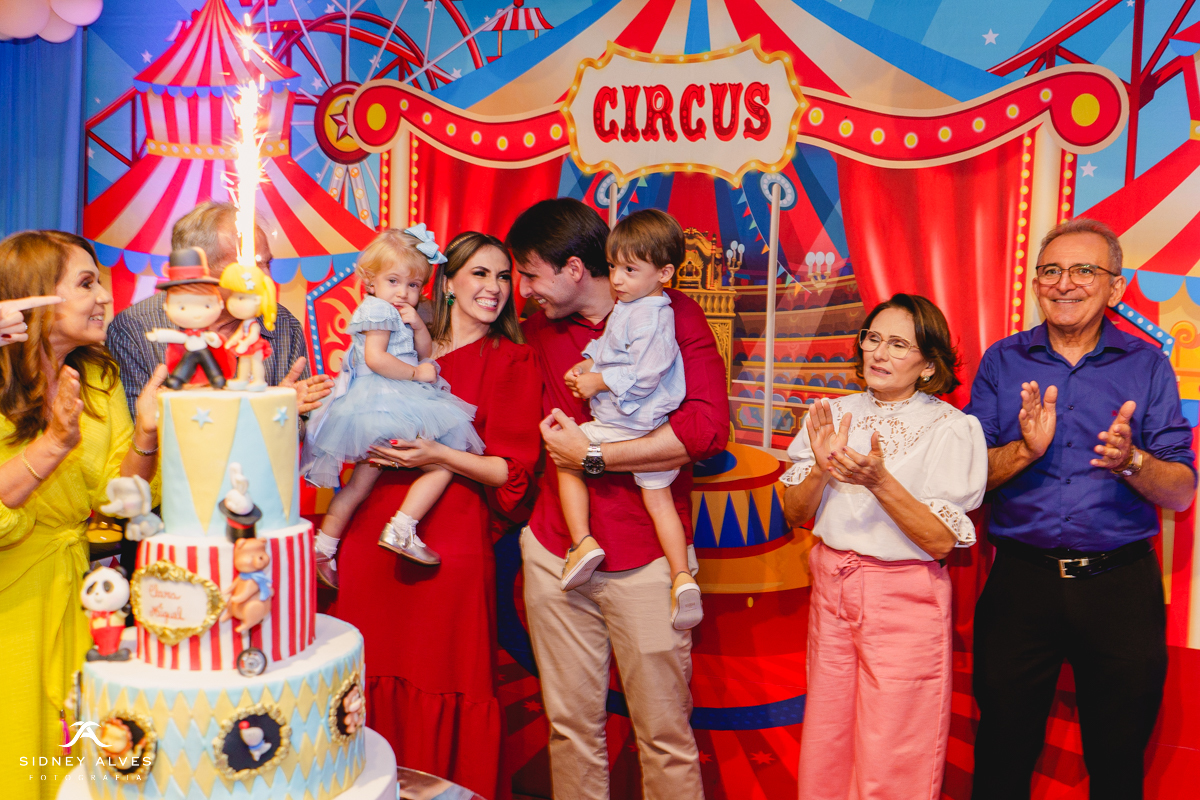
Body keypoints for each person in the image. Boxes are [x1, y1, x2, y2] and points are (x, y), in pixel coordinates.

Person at [966, 218, 1196, 800]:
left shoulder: (1147, 365)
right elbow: (965, 479)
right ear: (1036, 284)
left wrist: (1131, 461)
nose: (1064, 283)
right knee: (1000, 757)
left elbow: (1181, 491)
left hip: (1120, 586)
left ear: (1114, 287)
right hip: (1020, 584)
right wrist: (1025, 450)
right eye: (1051, 270)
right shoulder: (1002, 361)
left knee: (1118, 764)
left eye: (1083, 270)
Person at [511, 198, 728, 800]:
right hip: (557, 551)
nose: (522, 290)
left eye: (530, 274)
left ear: (574, 269)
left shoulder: (672, 314)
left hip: (645, 557)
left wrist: (594, 457)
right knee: (570, 730)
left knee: (664, 736)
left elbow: (706, 432)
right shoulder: (539, 328)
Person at [334, 231, 541, 800]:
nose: (495, 288)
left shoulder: (513, 359)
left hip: (448, 545)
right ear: (447, 282)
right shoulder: (401, 344)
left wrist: (439, 455)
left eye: (505, 276)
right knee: (364, 677)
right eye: (481, 273)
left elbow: (512, 472)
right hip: (370, 533)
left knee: (445, 678)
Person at [781, 293, 987, 799]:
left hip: (904, 596)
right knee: (828, 734)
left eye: (898, 344)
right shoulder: (832, 413)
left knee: (895, 746)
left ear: (928, 364)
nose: (879, 352)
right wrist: (822, 470)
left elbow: (939, 540)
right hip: (831, 586)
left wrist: (879, 481)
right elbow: (794, 512)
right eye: (873, 338)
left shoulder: (951, 428)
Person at [0, 231, 166, 799]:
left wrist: (146, 435)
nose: (105, 298)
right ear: (36, 295)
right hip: (13, 600)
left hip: (81, 596)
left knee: (77, 758)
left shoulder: (98, 377)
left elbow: (119, 497)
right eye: (87, 283)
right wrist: (53, 444)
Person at [303, 226, 484, 585]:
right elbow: (376, 359)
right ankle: (402, 528)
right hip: (383, 404)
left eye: (413, 285)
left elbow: (424, 352)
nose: (403, 292)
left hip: (388, 406)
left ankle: (323, 548)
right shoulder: (377, 311)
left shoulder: (400, 312)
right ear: (370, 282)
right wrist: (416, 374)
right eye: (393, 281)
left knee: (359, 486)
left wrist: (418, 327)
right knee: (442, 464)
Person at [556, 209, 701, 630]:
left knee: (566, 456)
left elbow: (645, 372)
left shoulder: (654, 315)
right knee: (659, 501)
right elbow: (608, 346)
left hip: (630, 423)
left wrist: (598, 381)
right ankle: (682, 577)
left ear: (665, 273)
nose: (617, 279)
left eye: (630, 270)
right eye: (613, 267)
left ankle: (582, 542)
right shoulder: (632, 305)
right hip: (644, 427)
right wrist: (588, 363)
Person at [105, 201, 333, 420]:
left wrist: (281, 412)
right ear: (202, 271)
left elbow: (299, 425)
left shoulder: (284, 324)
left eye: (267, 264)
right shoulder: (135, 328)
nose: (267, 278)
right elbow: (137, 431)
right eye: (252, 266)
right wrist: (261, 412)